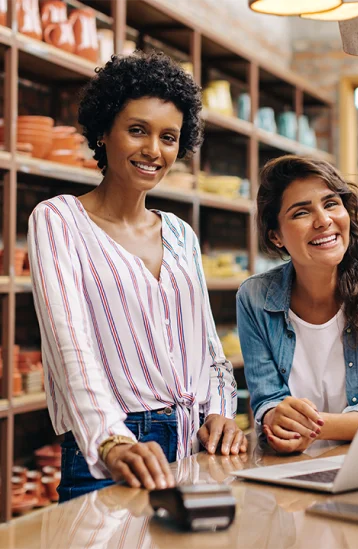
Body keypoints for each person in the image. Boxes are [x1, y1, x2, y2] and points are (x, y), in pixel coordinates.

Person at [28, 50, 247, 502]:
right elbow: (70, 346)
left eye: (169, 137)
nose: (154, 150)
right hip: (113, 448)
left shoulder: (181, 233)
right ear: (104, 132)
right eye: (137, 130)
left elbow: (208, 347)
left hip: (195, 445)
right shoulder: (58, 220)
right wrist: (111, 439)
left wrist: (224, 412)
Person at [236, 155, 358, 454]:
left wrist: (310, 427)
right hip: (286, 468)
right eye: (301, 213)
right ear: (276, 236)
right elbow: (267, 401)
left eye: (331, 203)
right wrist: (274, 416)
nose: (323, 221)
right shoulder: (254, 297)